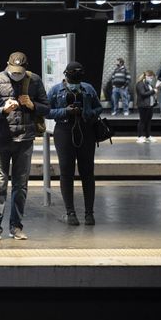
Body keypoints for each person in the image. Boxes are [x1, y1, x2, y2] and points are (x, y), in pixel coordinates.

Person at [0, 52, 49, 242]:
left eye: (20, 71)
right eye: (14, 71)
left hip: (24, 140)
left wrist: (32, 105)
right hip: (0, 140)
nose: (16, 75)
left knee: (21, 187)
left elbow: (47, 108)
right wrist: (2, 110)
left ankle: (17, 227)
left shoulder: (34, 80)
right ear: (7, 65)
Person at [46, 61, 103, 226]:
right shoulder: (56, 90)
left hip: (86, 131)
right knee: (66, 172)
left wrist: (87, 112)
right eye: (73, 73)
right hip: (64, 131)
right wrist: (66, 111)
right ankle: (70, 212)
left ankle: (89, 214)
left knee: (87, 172)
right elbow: (46, 111)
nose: (76, 76)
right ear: (66, 73)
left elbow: (98, 108)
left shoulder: (88, 88)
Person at [135, 70, 158, 144]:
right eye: (150, 77)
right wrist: (153, 91)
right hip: (143, 105)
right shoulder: (140, 84)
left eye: (152, 78)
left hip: (150, 105)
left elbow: (150, 94)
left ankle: (148, 136)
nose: (151, 79)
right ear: (145, 76)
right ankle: (140, 137)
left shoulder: (149, 85)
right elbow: (143, 94)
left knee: (148, 121)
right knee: (142, 121)